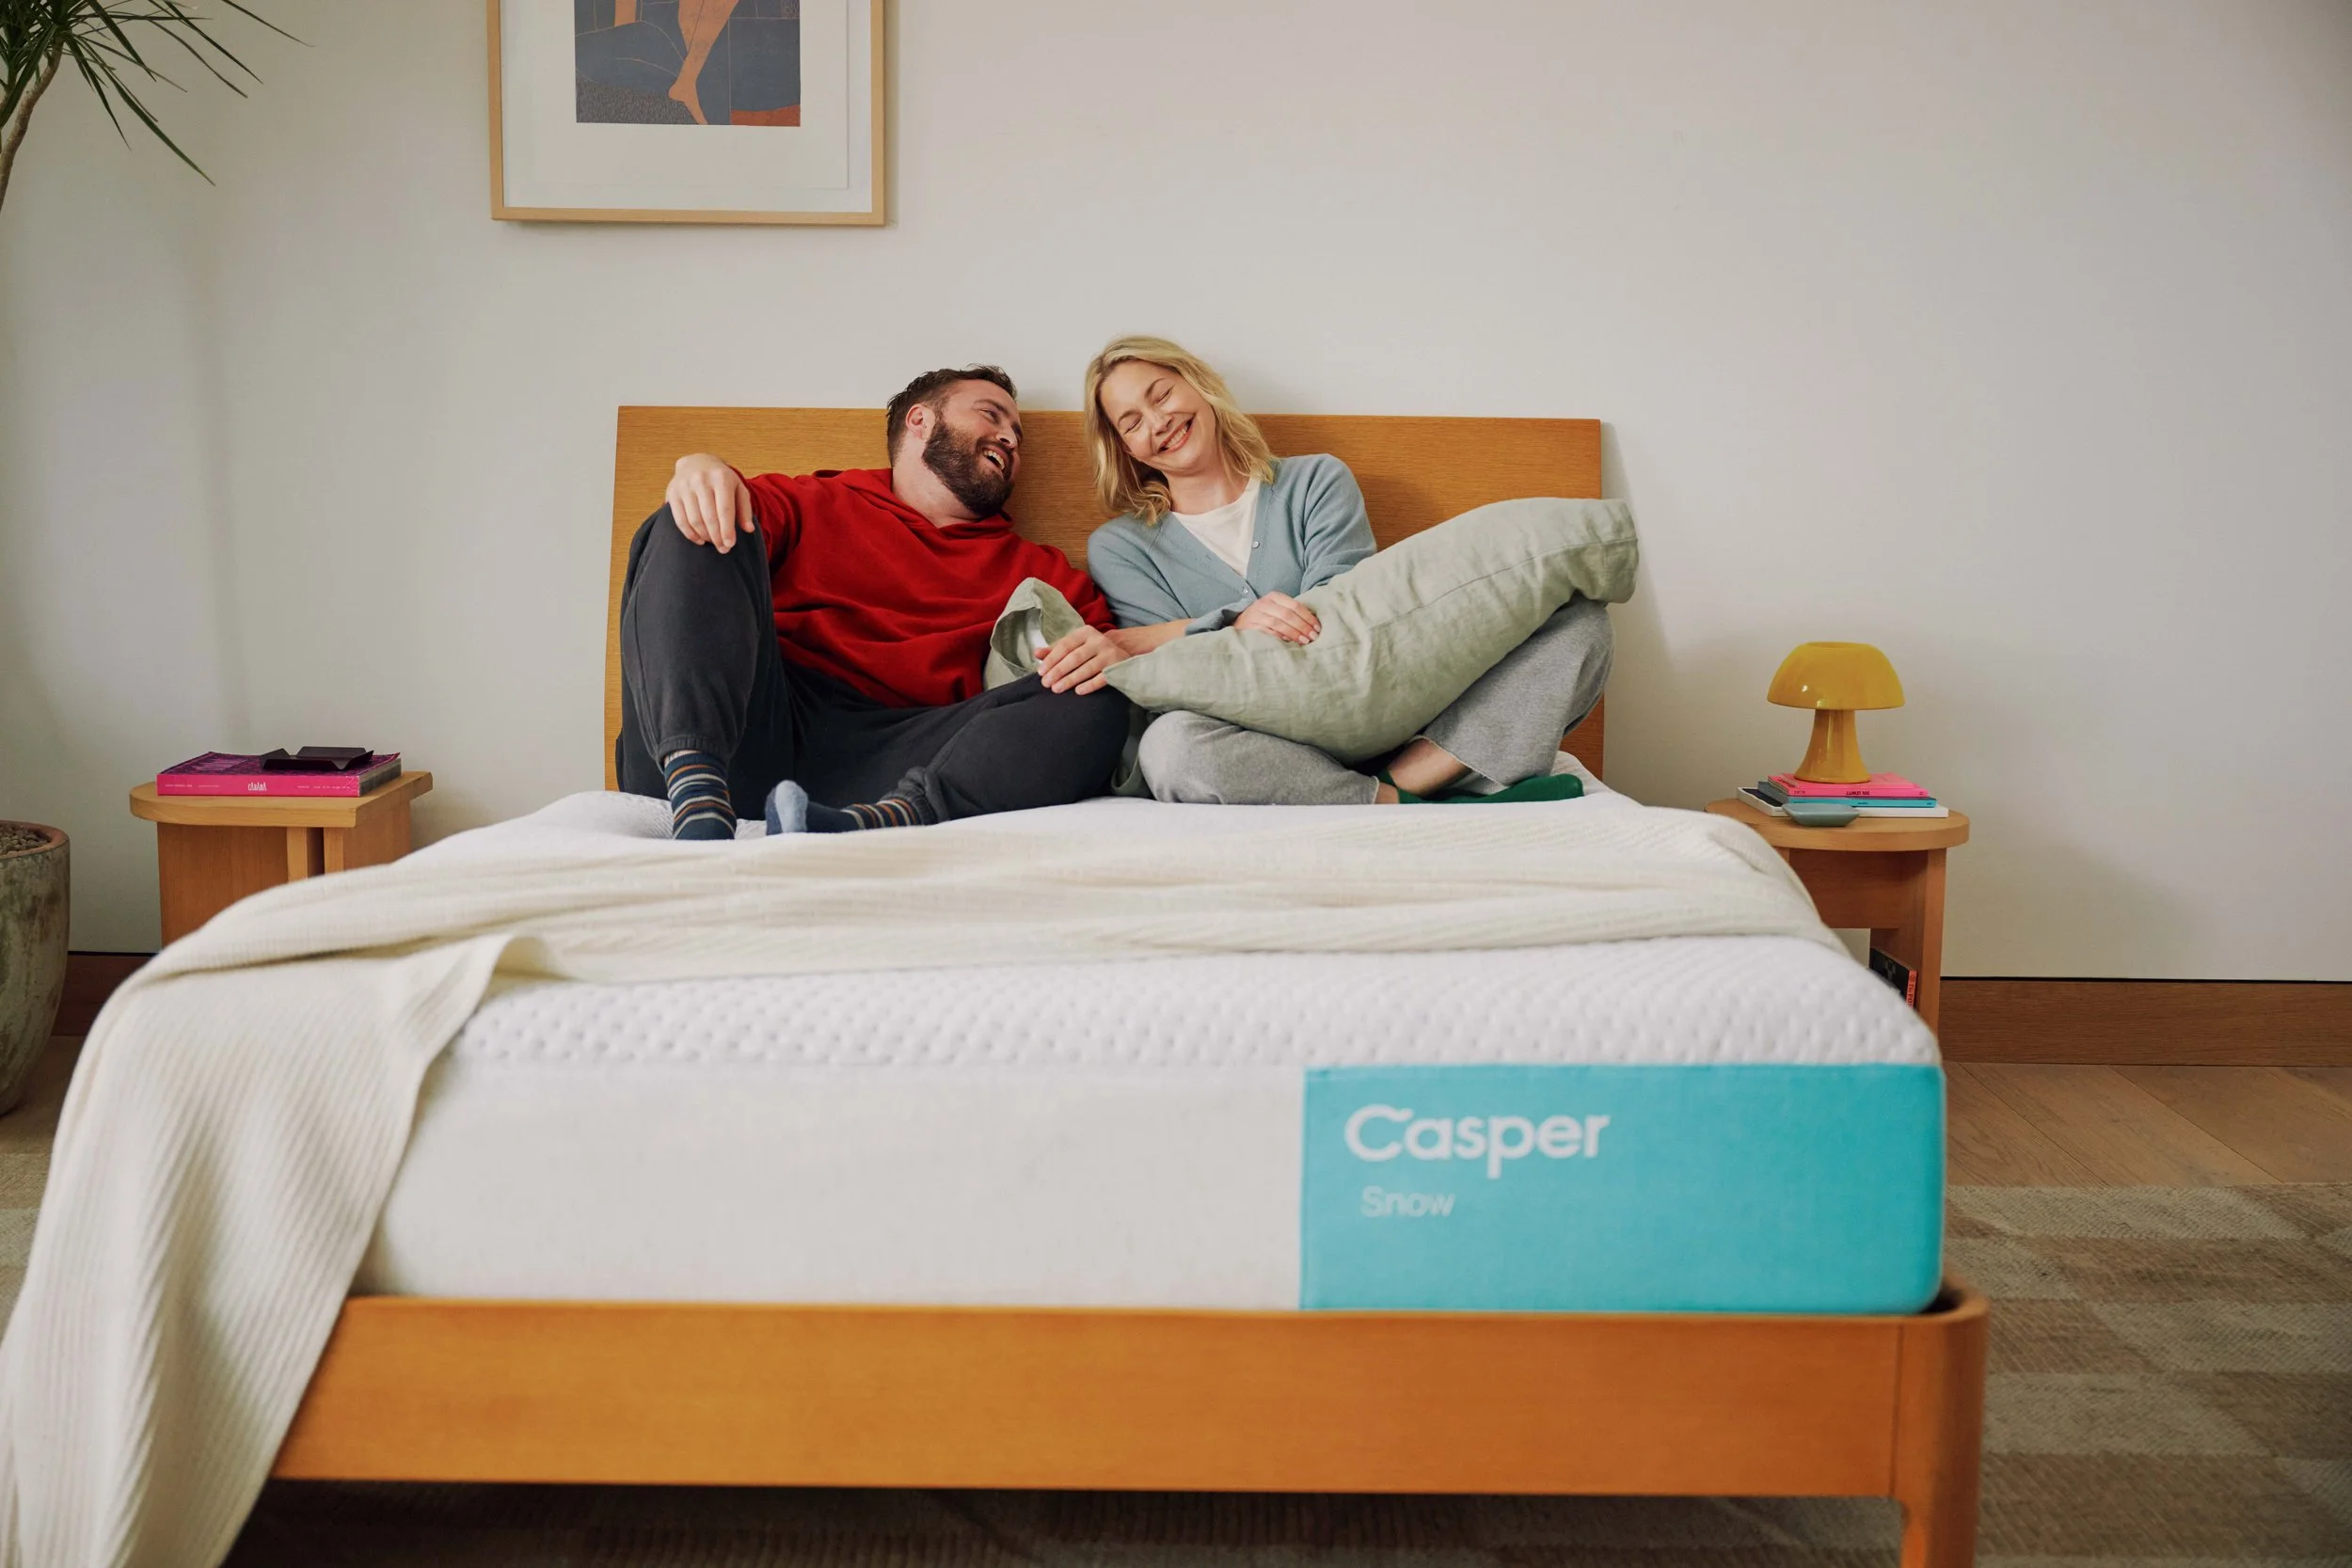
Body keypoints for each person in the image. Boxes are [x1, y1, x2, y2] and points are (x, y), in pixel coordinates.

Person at [1038, 335, 1612, 805]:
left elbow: (1343, 618)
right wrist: (1237, 620)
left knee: (1580, 625)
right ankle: (1395, 799)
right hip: (1259, 744)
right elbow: (1172, 683)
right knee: (1170, 747)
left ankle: (1412, 773)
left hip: (1390, 704)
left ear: (1201, 387)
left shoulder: (1315, 482)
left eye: (1162, 395)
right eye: (1131, 422)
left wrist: (1183, 633)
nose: (1157, 422)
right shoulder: (1120, 547)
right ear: (1127, 450)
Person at [616, 365, 1131, 838]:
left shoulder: (1042, 573)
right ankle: (698, 796)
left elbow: (1113, 663)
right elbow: (712, 525)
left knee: (1098, 691)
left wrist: (1114, 652)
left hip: (903, 756)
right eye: (991, 416)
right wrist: (701, 468)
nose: (1010, 439)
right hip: (748, 728)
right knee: (695, 519)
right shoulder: (816, 501)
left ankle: (875, 824)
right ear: (921, 421)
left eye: (1017, 436)